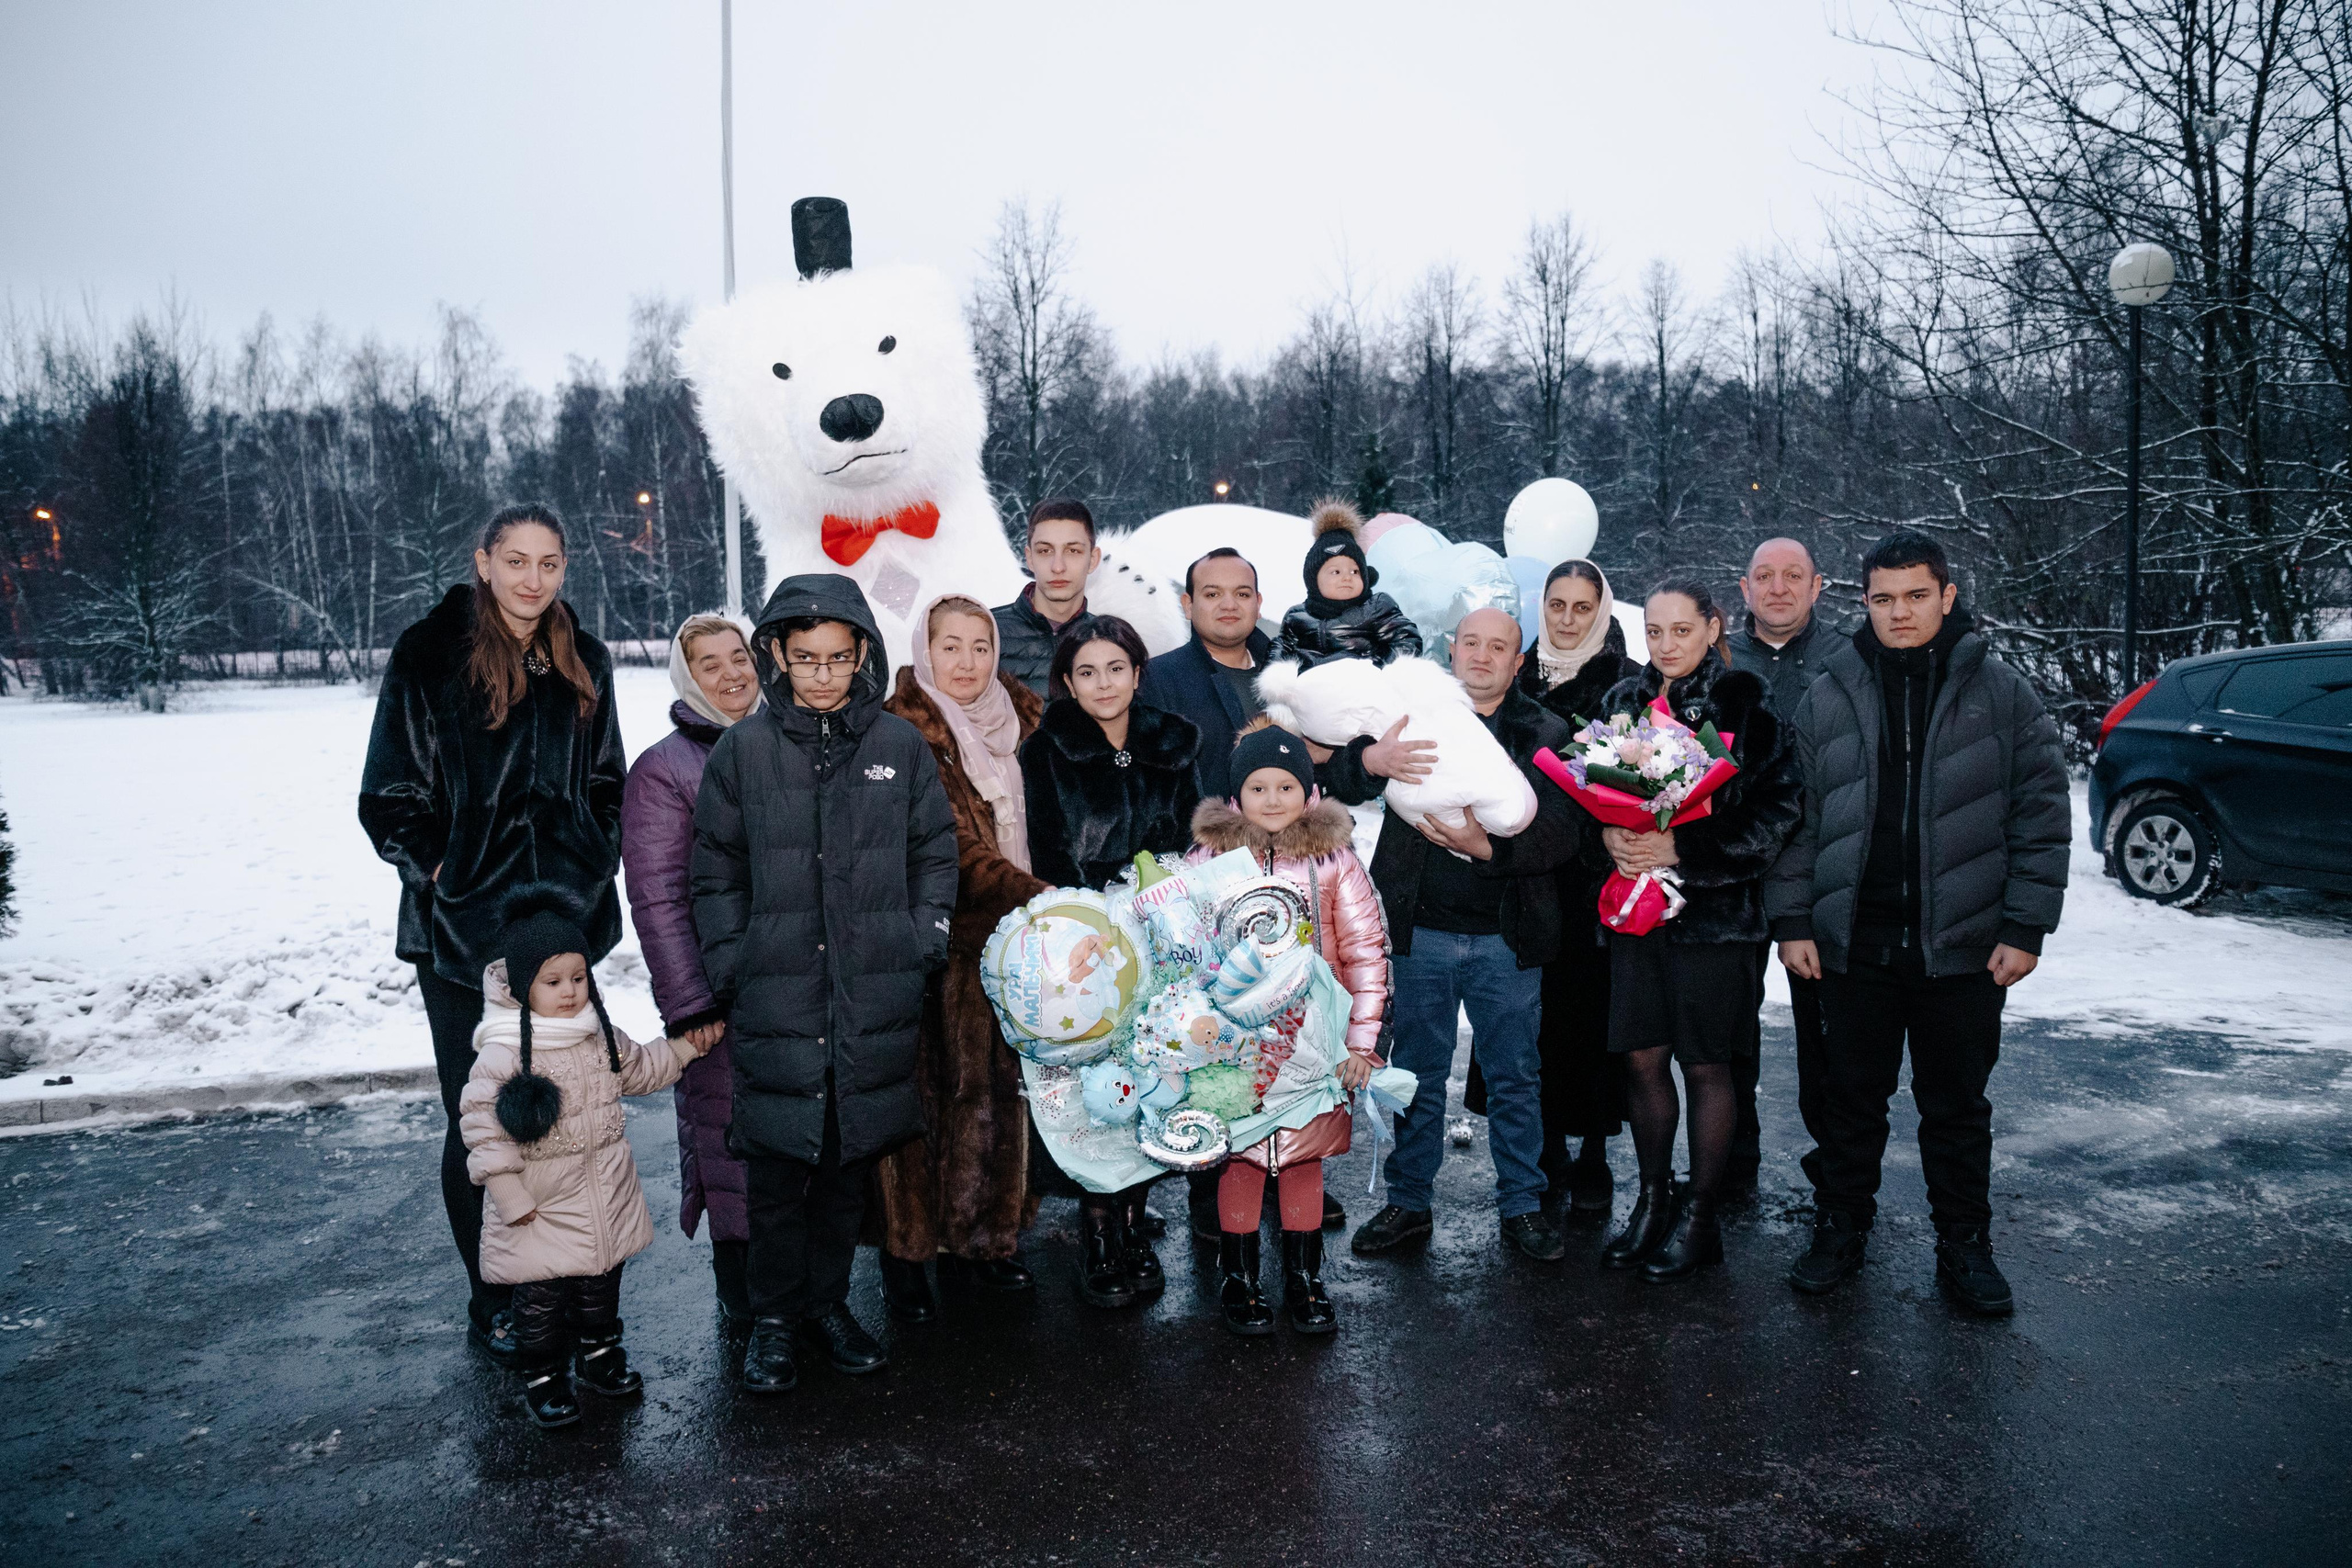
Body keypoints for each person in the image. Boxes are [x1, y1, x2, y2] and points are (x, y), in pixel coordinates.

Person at [1768, 530, 2068, 1316]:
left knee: (1957, 1107)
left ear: (1947, 596)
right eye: (1882, 598)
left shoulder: (2002, 692)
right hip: (1853, 941)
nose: (1899, 612)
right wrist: (1794, 917)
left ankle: (1964, 1245)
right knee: (1849, 1101)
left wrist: (2025, 926)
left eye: (1914, 596)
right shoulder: (1830, 690)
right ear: (1862, 602)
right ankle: (1840, 1229)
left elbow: (2041, 814)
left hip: (1964, 947)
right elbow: (1799, 821)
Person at [358, 502, 626, 1365]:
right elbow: (388, 798)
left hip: (561, 928)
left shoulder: (583, 655)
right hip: (465, 934)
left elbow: (607, 780)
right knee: (484, 1120)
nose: (532, 579)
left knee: (570, 1112)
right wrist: (445, 870)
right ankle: (497, 1297)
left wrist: (594, 853)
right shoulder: (428, 653)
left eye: (549, 563)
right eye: (516, 560)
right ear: (484, 561)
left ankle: (571, 1287)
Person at [691, 573, 959, 1395]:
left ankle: (829, 1303)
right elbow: (714, 870)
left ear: (862, 656)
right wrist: (735, 963)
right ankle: (773, 1320)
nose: (822, 674)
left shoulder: (899, 747)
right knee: (776, 1172)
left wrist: (922, 942)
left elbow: (934, 853)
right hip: (777, 999)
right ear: (776, 653)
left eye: (839, 658)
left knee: (846, 1169)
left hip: (872, 999)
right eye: (805, 657)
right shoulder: (743, 749)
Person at [1329, 608, 1581, 1263]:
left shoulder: (1545, 730)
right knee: (1414, 1073)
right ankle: (1409, 1202)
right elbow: (1341, 769)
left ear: (1517, 661)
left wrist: (1488, 848)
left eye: (1499, 646)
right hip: (1421, 930)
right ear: (1452, 647)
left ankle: (1523, 1205)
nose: (1482, 655)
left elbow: (1562, 832)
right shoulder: (1416, 708)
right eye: (1471, 642)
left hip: (1508, 935)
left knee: (1516, 1077)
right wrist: (1370, 758)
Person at [1589, 579, 1802, 1282]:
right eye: (1655, 631)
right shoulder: (1622, 702)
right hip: (1637, 918)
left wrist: (1684, 850)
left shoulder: (1746, 702)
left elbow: (1779, 811)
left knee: (1707, 1065)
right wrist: (1615, 839)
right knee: (1641, 1060)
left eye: (1682, 630)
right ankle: (1651, 1203)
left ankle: (1702, 1218)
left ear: (1712, 627)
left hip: (1716, 922)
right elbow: (1593, 799)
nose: (1667, 644)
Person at [1136, 546, 1347, 1237]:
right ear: (1188, 603)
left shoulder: (1289, 675)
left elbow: (1337, 765)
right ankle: (1214, 1190)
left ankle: (1295, 1166)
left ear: (1259, 600)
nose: (1228, 604)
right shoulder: (1162, 679)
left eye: (1242, 592)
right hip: (1207, 884)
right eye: (1211, 593)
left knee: (1295, 1033)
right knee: (1220, 1038)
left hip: (1293, 880)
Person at [458, 894, 709, 1427]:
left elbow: (641, 1068)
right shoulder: (503, 1051)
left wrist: (686, 1049)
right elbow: (482, 1128)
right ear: (524, 986)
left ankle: (600, 1356)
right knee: (541, 1302)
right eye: (553, 982)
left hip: (605, 1196)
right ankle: (544, 1375)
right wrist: (506, 1193)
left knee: (601, 1287)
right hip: (539, 1205)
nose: (570, 992)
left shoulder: (599, 1036)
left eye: (578, 978)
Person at [873, 595, 1050, 1322]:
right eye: (952, 646)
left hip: (1009, 946)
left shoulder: (1021, 724)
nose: (968, 662)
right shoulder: (904, 731)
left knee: (996, 1097)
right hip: (932, 943)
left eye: (982, 646)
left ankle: (983, 1239)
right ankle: (909, 1254)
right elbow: (949, 847)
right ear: (924, 649)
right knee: (922, 1103)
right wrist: (1043, 897)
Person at [1184, 723, 1388, 1336]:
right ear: (1236, 795)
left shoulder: (1335, 861)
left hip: (1314, 1046)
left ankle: (1304, 1278)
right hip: (1231, 1046)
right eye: (1258, 786)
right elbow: (1183, 948)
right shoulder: (1207, 862)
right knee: (1240, 1160)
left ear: (1309, 791)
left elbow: (1365, 951)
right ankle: (1240, 1279)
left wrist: (1361, 1041)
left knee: (1302, 1160)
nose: (1272, 798)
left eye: (1286, 785)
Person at [1019, 615, 1200, 1305]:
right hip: (1086, 939)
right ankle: (1099, 1232)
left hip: (1163, 931)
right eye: (1087, 671)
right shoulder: (1047, 750)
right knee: (1096, 1091)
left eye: (1116, 668)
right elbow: (1047, 848)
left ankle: (1133, 1218)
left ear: (1137, 671)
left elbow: (1196, 834)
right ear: (1067, 680)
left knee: (1152, 1076)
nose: (1103, 683)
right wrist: (1087, 923)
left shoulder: (1174, 742)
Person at [1476, 559, 1633, 1214]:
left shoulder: (1624, 685)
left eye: (1580, 606)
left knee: (1593, 1018)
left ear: (1600, 610)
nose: (1567, 618)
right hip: (1523, 872)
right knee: (1525, 1020)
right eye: (1558, 604)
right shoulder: (1517, 668)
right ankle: (1542, 1150)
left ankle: (1594, 1148)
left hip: (1595, 877)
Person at [621, 611, 760, 1323]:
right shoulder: (663, 770)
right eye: (711, 664)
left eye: (739, 656)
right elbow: (658, 899)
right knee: (728, 1135)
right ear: (686, 677)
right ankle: (744, 1300)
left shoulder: (786, 740)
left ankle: (798, 1292)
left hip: (794, 986)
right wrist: (690, 1003)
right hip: (718, 995)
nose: (732, 673)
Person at [1724, 536, 1832, 1186]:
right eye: (1765, 576)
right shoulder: (1719, 658)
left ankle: (1835, 1171)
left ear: (1819, 586)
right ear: (1744, 589)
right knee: (1730, 1029)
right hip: (1730, 875)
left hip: (1816, 877)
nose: (1779, 587)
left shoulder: (1847, 660)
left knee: (1825, 1036)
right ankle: (1730, 1158)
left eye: (1794, 576)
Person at [1272, 500, 1424, 668]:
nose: (1347, 577)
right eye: (1336, 572)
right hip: (1312, 687)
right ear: (1314, 581)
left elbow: (1406, 638)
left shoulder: (1376, 607)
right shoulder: (1298, 616)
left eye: (1354, 571)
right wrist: (1278, 676)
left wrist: (1380, 670)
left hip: (1362, 684)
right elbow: (1282, 647)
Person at [993, 497, 1102, 697]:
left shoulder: (1109, 641)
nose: (1058, 566)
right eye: (1045, 551)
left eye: (1072, 551)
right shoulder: (986, 634)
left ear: (1093, 559)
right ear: (1030, 558)